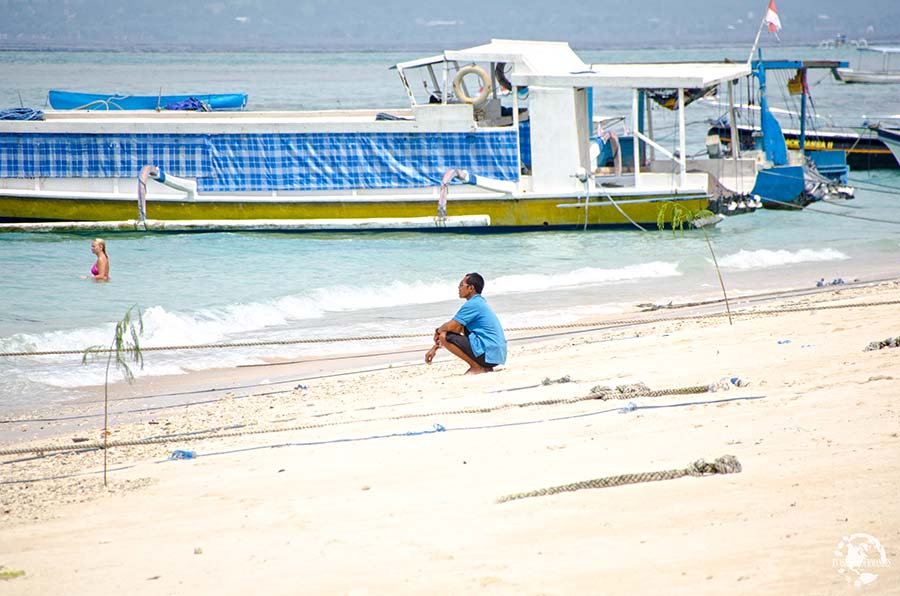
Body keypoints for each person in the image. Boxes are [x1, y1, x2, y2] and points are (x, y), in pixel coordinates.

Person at [425, 272, 507, 374]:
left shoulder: (472, 304)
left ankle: (477, 367)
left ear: (471, 288)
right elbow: (457, 329)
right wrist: (434, 348)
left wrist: (438, 330)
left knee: (444, 336)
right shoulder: (479, 302)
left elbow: (450, 327)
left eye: (461, 285)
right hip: (495, 355)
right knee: (456, 330)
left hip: (488, 355)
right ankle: (483, 367)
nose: (459, 288)